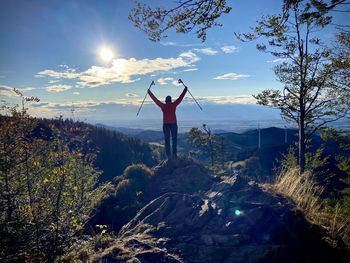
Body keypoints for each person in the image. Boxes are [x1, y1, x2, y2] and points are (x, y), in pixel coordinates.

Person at [148, 86, 188, 160]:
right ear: (171, 100)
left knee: (167, 140)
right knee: (174, 139)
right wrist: (185, 89)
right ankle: (174, 155)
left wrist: (149, 92)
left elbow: (155, 99)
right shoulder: (174, 105)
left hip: (166, 124)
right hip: (173, 124)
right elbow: (180, 98)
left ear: (166, 100)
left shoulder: (163, 106)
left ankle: (168, 156)